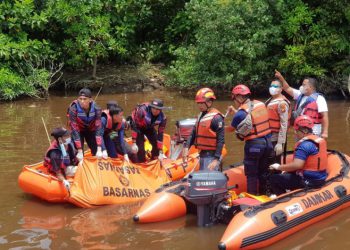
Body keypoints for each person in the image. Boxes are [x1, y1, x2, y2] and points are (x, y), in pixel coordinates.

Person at [225, 84, 273, 195]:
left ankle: (252, 197)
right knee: (263, 172)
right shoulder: (260, 104)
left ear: (239, 98)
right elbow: (252, 117)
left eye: (234, 99)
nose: (234, 102)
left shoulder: (241, 113)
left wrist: (219, 128)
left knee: (251, 174)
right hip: (268, 143)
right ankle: (265, 194)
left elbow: (231, 129)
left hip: (254, 145)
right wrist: (236, 112)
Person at [269, 115, 328, 195]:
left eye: (297, 131)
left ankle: (282, 198)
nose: (295, 133)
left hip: (309, 181)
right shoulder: (317, 140)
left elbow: (297, 165)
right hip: (320, 178)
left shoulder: (304, 145)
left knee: (274, 179)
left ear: (305, 131)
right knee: (286, 174)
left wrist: (279, 167)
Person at [275, 70, 329, 138]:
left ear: (310, 87)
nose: (301, 86)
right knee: (299, 147)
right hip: (299, 130)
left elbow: (325, 116)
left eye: (304, 85)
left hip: (313, 131)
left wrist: (325, 132)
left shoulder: (319, 99)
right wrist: (280, 77)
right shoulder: (300, 94)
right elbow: (287, 88)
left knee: (308, 147)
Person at [182, 88, 225, 171]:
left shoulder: (216, 118)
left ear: (209, 102)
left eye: (202, 103)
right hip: (203, 153)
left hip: (212, 156)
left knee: (209, 180)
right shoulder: (201, 115)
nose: (199, 106)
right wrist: (186, 147)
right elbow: (193, 133)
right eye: (198, 103)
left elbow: (221, 140)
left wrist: (216, 159)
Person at [67, 88, 106, 161]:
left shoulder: (97, 108)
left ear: (90, 100)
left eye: (85, 99)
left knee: (96, 150)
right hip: (78, 131)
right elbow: (74, 129)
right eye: (80, 99)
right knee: (78, 154)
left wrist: (99, 148)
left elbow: (98, 127)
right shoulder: (73, 109)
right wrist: (79, 150)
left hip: (91, 129)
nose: (82, 101)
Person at [130, 99, 167, 163]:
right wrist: (134, 142)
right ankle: (141, 162)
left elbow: (160, 133)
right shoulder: (142, 111)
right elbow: (134, 126)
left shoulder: (163, 118)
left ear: (160, 110)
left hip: (149, 127)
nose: (155, 110)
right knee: (141, 149)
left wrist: (160, 151)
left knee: (156, 144)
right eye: (153, 108)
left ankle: (154, 159)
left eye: (157, 109)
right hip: (139, 128)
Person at [265, 79, 291, 163]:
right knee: (267, 159)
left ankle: (276, 175)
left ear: (281, 89)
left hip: (275, 137)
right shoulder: (269, 100)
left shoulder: (282, 103)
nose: (273, 88)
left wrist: (280, 143)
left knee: (274, 160)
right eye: (271, 86)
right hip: (267, 136)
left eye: (275, 86)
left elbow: (284, 124)